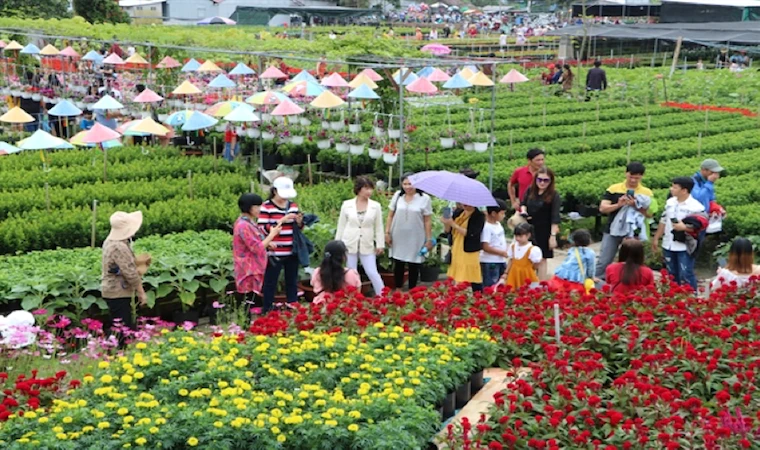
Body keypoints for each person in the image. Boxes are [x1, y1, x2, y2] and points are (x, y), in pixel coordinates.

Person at [595, 162, 653, 279]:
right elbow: (603, 208)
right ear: (626, 173)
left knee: (632, 261)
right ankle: (597, 282)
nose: (633, 180)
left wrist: (635, 206)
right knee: (604, 259)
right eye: (631, 177)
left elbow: (649, 215)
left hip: (633, 232)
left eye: (636, 178)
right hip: (612, 229)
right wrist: (619, 204)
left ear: (642, 176)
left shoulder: (646, 192)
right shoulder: (613, 189)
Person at [652, 177, 705, 291]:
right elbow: (664, 220)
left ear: (684, 190)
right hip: (668, 243)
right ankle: (673, 297)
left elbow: (701, 226)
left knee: (686, 273)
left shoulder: (696, 207)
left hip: (684, 246)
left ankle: (691, 298)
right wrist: (656, 238)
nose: (671, 189)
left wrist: (684, 227)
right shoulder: (670, 202)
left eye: (675, 187)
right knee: (671, 273)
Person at [101, 211, 146, 345]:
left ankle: (117, 350)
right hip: (117, 291)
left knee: (121, 323)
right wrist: (141, 292)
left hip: (111, 289)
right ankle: (117, 353)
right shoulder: (119, 246)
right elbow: (130, 273)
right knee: (122, 327)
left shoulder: (110, 241)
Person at [259, 177, 304, 312]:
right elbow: (262, 227)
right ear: (274, 191)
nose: (285, 198)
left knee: (292, 280)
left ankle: (292, 304)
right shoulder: (266, 206)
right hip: (275, 252)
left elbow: (298, 229)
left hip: (291, 250)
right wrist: (282, 220)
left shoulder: (293, 206)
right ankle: (267, 307)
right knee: (271, 281)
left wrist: (300, 222)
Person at [336, 176, 385, 295]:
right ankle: (352, 297)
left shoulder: (375, 206)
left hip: (367, 243)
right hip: (349, 242)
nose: (369, 192)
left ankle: (383, 295)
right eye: (366, 188)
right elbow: (341, 225)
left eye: (371, 189)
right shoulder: (347, 205)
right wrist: (338, 245)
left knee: (372, 271)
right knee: (351, 272)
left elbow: (379, 227)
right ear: (359, 189)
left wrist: (380, 244)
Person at [233, 194, 282, 311]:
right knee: (247, 300)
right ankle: (244, 326)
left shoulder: (248, 222)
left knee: (249, 299)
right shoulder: (243, 225)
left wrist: (268, 243)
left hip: (250, 268)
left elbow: (255, 241)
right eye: (257, 206)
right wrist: (272, 235)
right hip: (247, 270)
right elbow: (257, 247)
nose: (260, 209)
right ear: (248, 208)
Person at [385, 173, 433, 290]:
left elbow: (427, 220)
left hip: (415, 235)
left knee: (414, 263)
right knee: (398, 262)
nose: (407, 187)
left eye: (410, 184)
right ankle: (398, 289)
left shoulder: (424, 199)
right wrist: (387, 232)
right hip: (398, 234)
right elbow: (390, 216)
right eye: (405, 184)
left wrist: (428, 239)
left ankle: (412, 290)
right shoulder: (397, 196)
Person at [520, 167, 561, 280]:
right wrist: (523, 211)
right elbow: (523, 203)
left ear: (550, 181)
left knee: (542, 259)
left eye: (546, 180)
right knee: (528, 256)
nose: (542, 183)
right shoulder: (530, 190)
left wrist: (552, 236)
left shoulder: (554, 195)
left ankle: (541, 283)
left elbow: (555, 217)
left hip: (544, 230)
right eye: (540, 179)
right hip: (529, 228)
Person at [442, 203, 485, 290]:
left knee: (470, 275)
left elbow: (471, 233)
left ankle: (476, 294)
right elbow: (448, 231)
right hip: (456, 247)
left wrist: (454, 224)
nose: (465, 204)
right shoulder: (458, 212)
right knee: (456, 276)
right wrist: (446, 222)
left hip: (469, 250)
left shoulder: (479, 216)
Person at [550, 229, 596, 293]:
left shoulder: (572, 250)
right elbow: (591, 268)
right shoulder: (589, 253)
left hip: (562, 274)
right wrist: (591, 277)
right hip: (576, 278)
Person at [502, 222, 542, 289]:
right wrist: (506, 273)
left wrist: (530, 269)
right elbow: (511, 260)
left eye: (520, 236)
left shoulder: (533, 249)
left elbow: (537, 264)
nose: (517, 238)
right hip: (513, 274)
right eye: (516, 236)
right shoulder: (513, 246)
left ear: (528, 235)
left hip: (527, 275)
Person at [480, 199, 509, 288]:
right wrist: (502, 253)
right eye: (502, 213)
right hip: (490, 261)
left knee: (501, 284)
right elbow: (485, 246)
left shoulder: (498, 224)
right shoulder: (487, 227)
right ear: (493, 213)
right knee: (491, 285)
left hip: (500, 260)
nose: (503, 216)